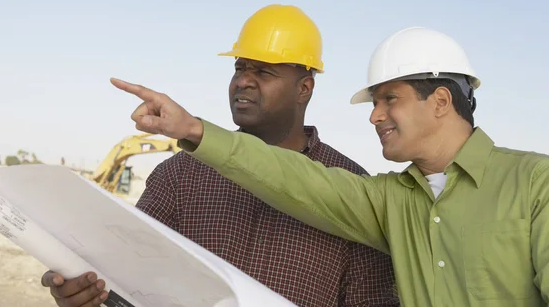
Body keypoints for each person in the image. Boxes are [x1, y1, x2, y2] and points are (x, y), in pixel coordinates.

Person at [112, 26, 549, 306]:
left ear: (439, 101)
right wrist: (192, 128)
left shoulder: (534, 183)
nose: (375, 116)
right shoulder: (386, 200)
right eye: (374, 102)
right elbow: (294, 178)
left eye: (388, 100)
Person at [42, 4, 399, 307]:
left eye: (263, 71)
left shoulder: (352, 191)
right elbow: (129, 282)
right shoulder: (180, 176)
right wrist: (87, 293)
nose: (243, 81)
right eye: (239, 68)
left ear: (304, 88)